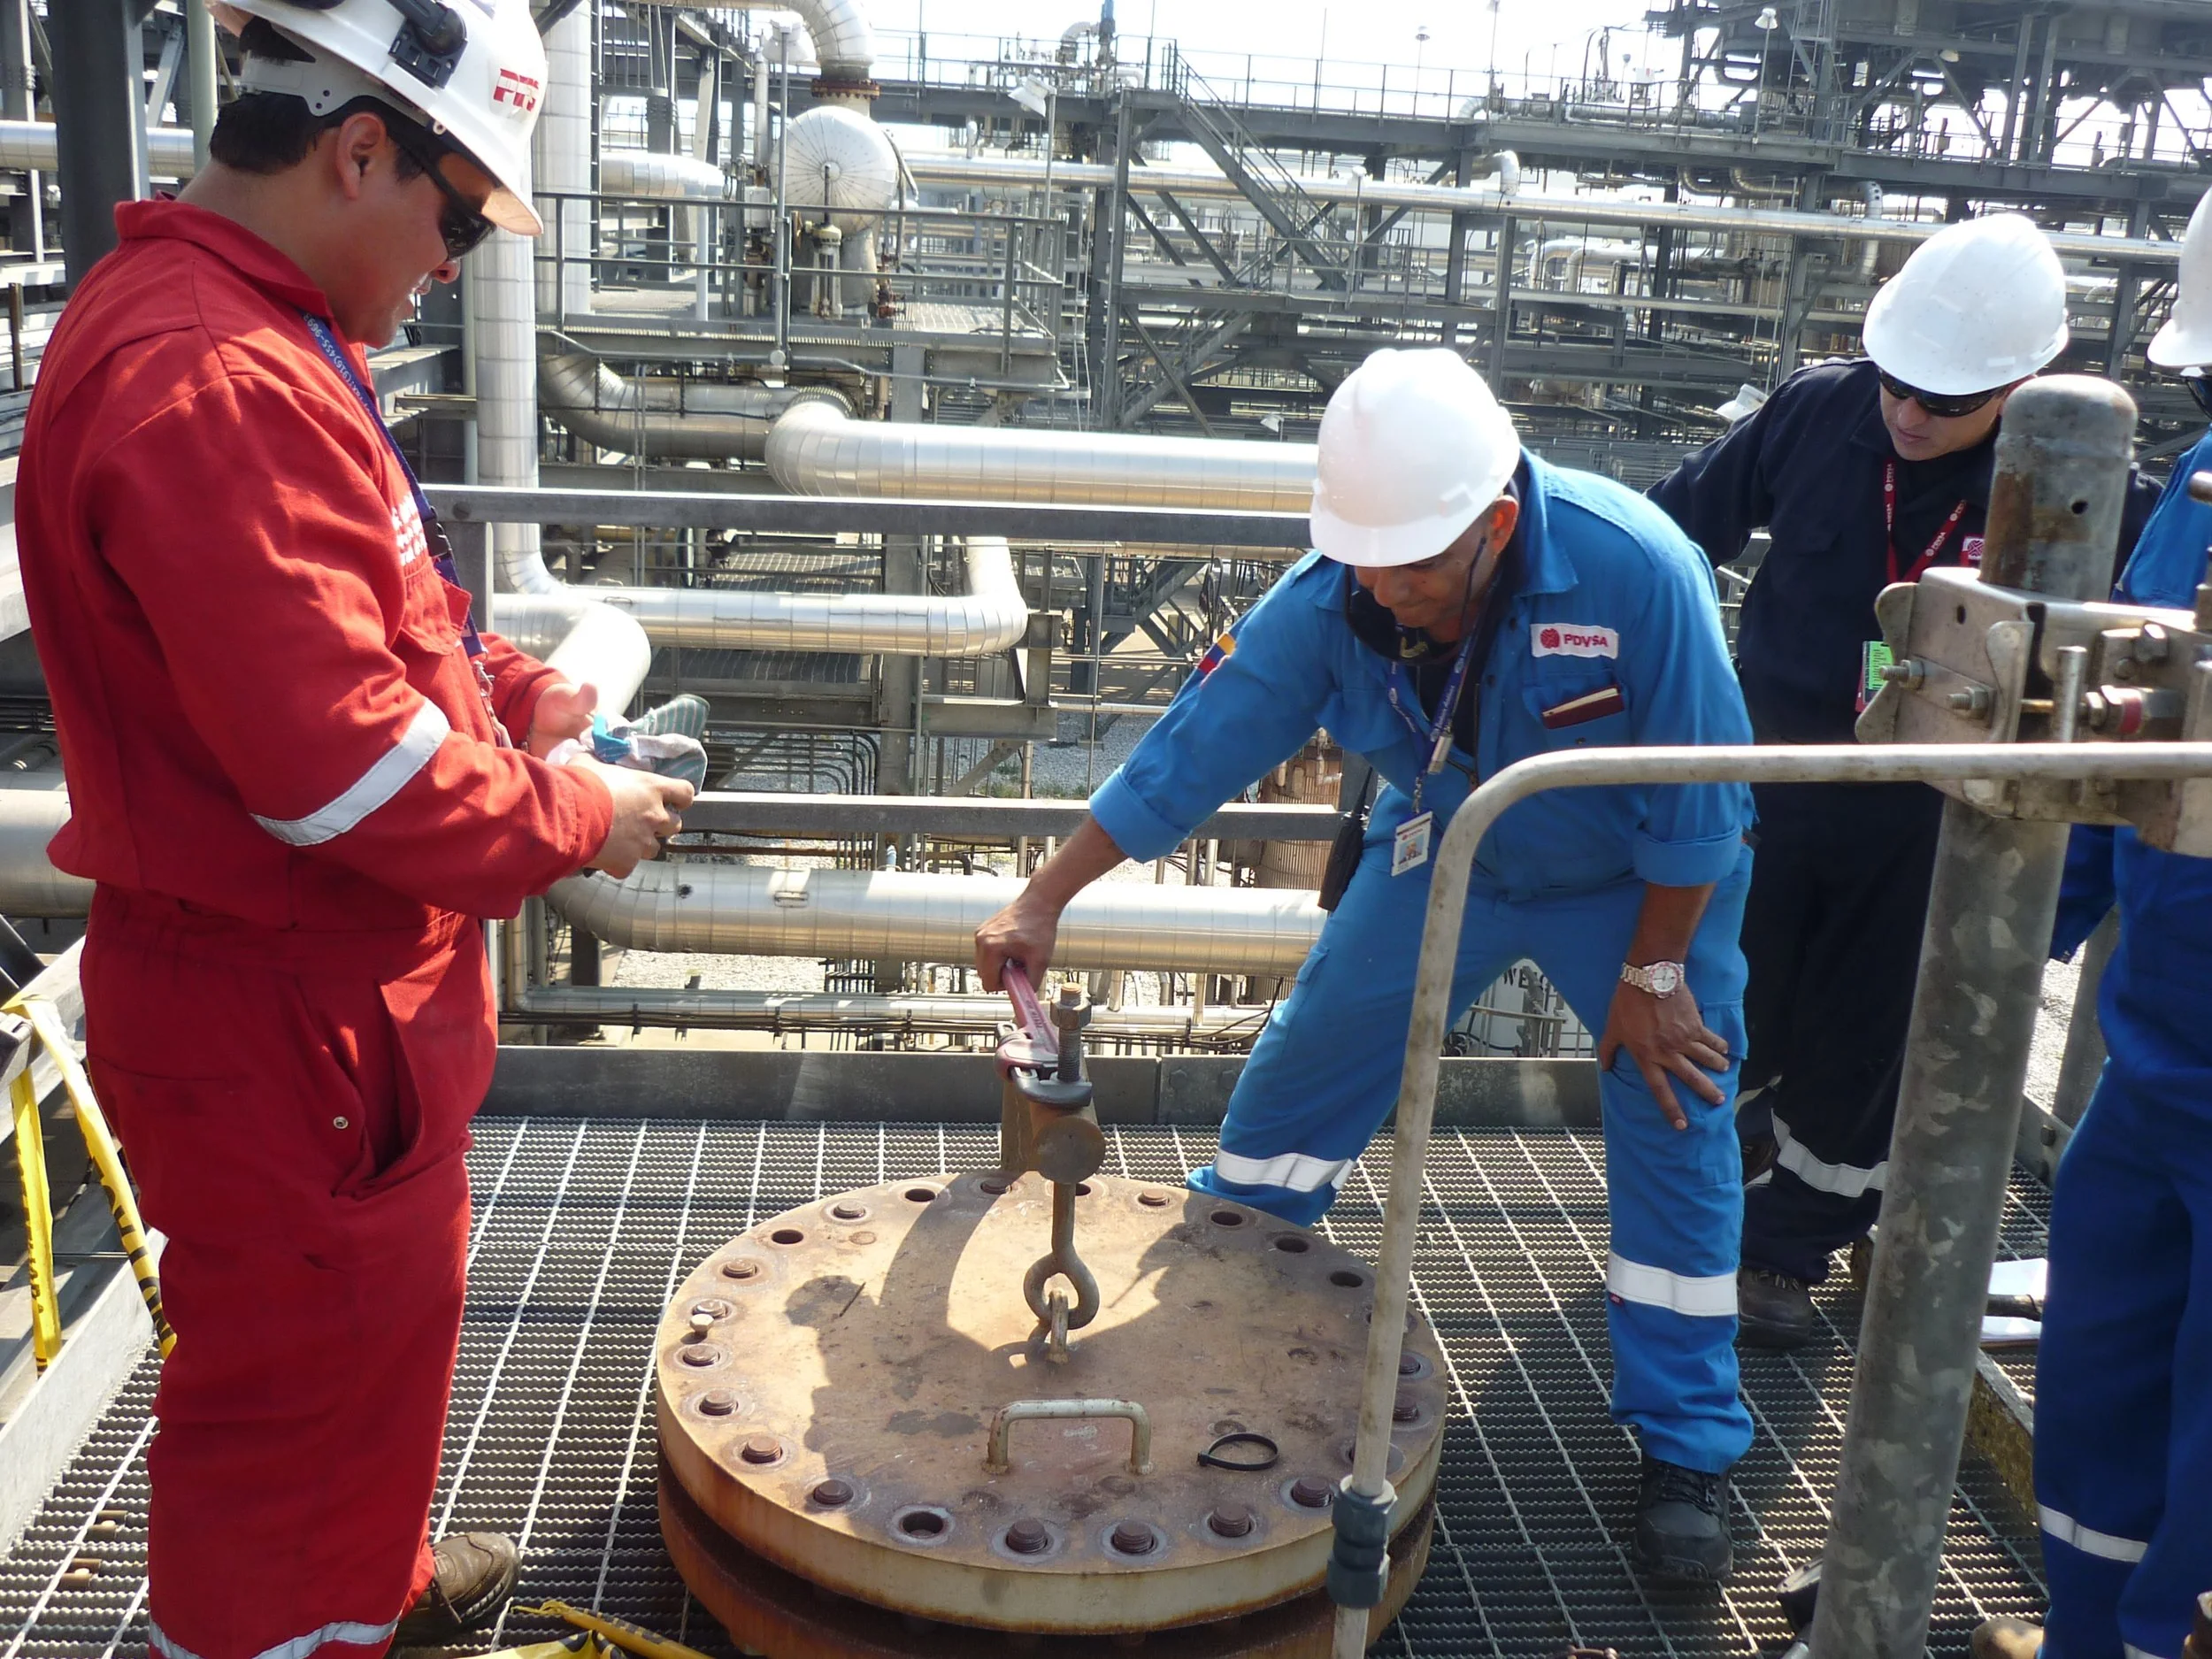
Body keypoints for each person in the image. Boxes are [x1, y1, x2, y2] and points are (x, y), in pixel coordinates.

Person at [16, 3, 693, 1654]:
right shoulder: (215, 378)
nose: (458, 260)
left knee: (359, 1358)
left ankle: (367, 1584)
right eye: (457, 213)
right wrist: (577, 811)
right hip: (286, 1020)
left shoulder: (268, 335)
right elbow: (336, 770)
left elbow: (384, 623)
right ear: (360, 147)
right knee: (284, 1421)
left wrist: (519, 689)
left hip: (330, 1015)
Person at [977, 347, 1758, 1582]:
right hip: (1454, 846)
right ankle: (1234, 1291)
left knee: (1676, 1105)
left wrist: (1656, 974)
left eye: (1413, 568)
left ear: (1496, 524)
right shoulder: (1334, 593)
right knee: (1301, 1076)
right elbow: (1196, 751)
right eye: (1365, 561)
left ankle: (1687, 1439)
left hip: (1643, 881)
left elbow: (1706, 792)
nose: (1386, 593)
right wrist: (1044, 897)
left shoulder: (1634, 567)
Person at [1647, 213, 2159, 1348]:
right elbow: (1673, 536)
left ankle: (1786, 1249)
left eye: (1946, 401)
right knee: (1732, 1001)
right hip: (1768, 778)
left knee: (1869, 1034)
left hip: (1929, 813)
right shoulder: (1814, 410)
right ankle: (1696, 1212)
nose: (1910, 415)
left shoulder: (2078, 485)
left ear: (2020, 384)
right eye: (1896, 385)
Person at [1972, 189, 2212, 1659]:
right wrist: (2014, 934)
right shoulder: (2194, 497)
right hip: (2161, 1062)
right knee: (2106, 1383)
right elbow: (2106, 748)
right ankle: (2086, 1635)